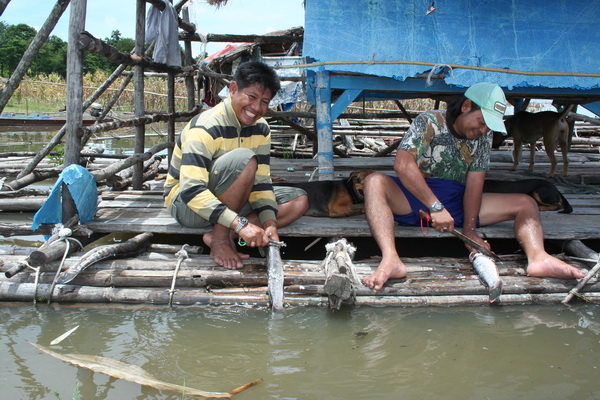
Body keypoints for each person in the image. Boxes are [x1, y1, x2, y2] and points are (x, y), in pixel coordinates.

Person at [362, 82, 584, 291]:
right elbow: (403, 165)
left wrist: (470, 229)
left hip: (457, 201)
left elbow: (475, 183)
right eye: (481, 122)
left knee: (526, 203)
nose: (484, 130)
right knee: (374, 181)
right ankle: (391, 259)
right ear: (466, 106)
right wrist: (436, 207)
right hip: (415, 198)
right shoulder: (427, 121)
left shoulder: (483, 137)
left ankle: (538, 258)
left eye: (489, 126)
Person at [164, 61, 308, 269]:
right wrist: (241, 223)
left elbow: (260, 183)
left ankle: (222, 234)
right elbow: (191, 190)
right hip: (186, 205)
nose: (257, 108)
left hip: (230, 200)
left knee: (299, 200)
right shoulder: (205, 127)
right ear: (233, 90)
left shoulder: (262, 129)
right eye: (251, 97)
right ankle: (221, 241)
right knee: (244, 159)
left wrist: (270, 224)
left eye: (265, 102)